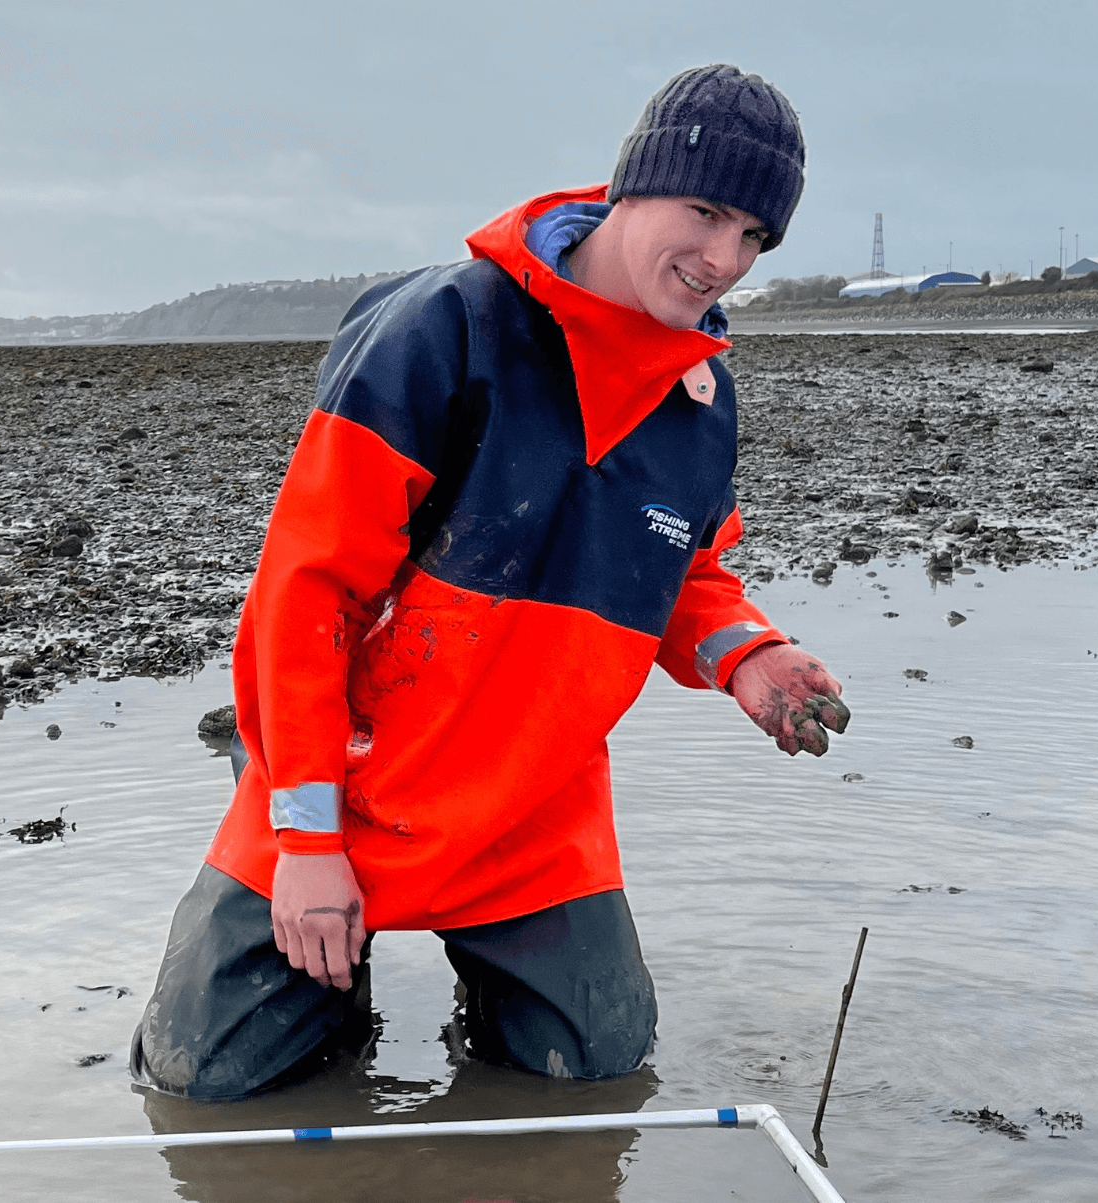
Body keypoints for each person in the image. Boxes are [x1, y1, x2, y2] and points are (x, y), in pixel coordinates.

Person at [130, 63, 849, 1103]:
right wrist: (307, 843)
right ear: (629, 185)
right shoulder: (442, 328)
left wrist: (745, 652)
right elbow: (305, 595)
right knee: (203, 1084)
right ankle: (319, 960)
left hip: (532, 810)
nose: (720, 259)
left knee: (596, 1079)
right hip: (350, 786)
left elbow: (682, 574)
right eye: (703, 211)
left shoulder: (698, 400)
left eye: (753, 236)